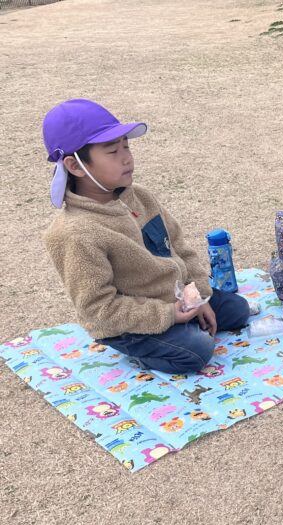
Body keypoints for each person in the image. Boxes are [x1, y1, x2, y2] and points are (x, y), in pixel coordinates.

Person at [42, 99, 249, 374]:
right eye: (112, 151)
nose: (126, 157)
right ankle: (149, 345)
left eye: (126, 146)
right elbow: (98, 309)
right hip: (130, 322)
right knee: (197, 351)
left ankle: (185, 324)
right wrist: (169, 315)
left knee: (238, 310)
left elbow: (179, 247)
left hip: (175, 297)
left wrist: (198, 296)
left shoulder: (140, 196)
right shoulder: (75, 233)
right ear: (75, 166)